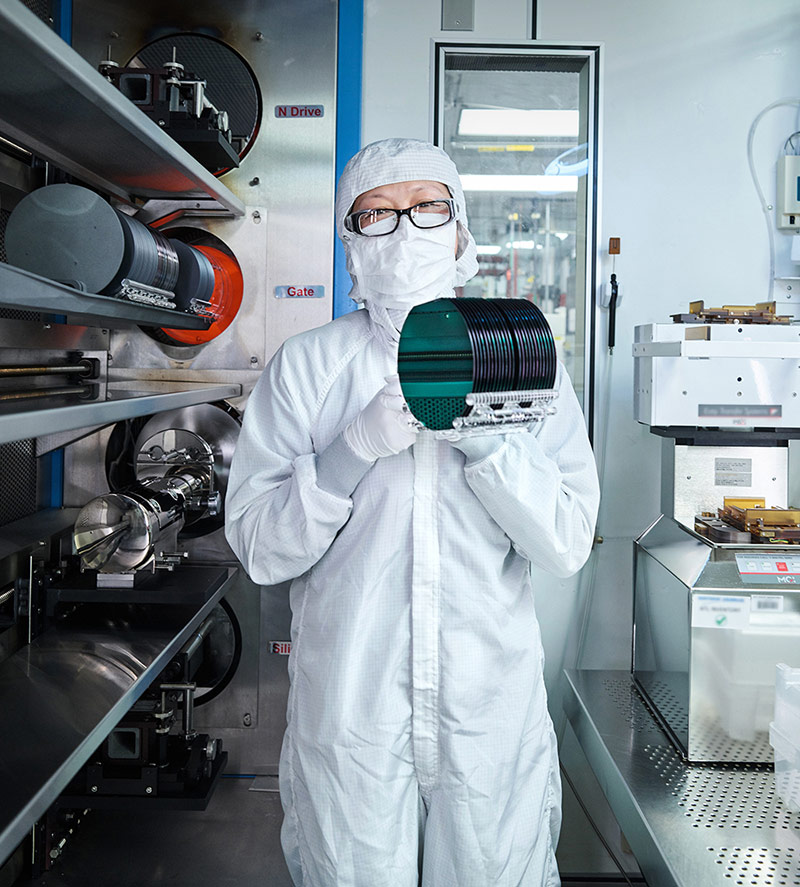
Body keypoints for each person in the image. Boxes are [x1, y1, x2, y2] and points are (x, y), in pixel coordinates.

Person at [225, 138, 600, 887]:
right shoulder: (308, 367)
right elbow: (263, 550)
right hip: (351, 710)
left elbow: (565, 539)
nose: (404, 230)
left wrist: (490, 445)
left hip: (487, 709)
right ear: (348, 245)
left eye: (427, 207)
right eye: (376, 215)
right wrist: (348, 451)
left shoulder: (523, 358)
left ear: (462, 232)